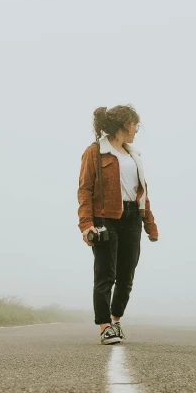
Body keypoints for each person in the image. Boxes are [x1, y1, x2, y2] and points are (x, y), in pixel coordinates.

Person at [77, 104, 159, 345]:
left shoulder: (134, 155)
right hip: (105, 218)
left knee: (127, 275)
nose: (136, 129)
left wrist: (149, 223)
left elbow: (141, 192)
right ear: (125, 124)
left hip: (132, 217)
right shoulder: (94, 152)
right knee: (106, 274)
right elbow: (84, 190)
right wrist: (86, 224)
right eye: (135, 124)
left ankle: (116, 320)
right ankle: (104, 327)